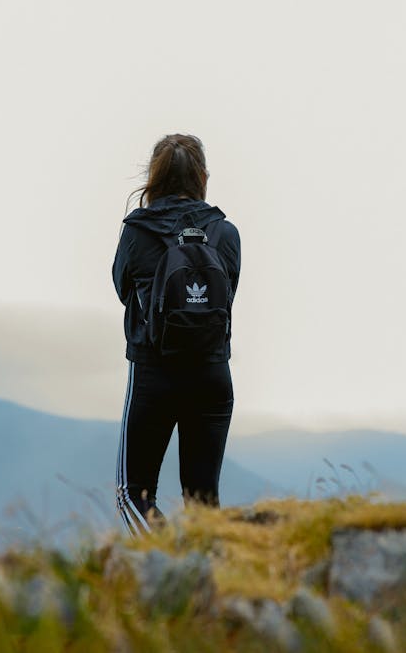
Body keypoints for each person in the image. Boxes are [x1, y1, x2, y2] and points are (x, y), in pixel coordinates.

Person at [112, 133, 241, 534]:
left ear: (153, 177)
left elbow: (122, 289)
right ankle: (212, 580)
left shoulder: (137, 231)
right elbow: (229, 293)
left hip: (155, 374)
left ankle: (169, 565)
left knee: (133, 493)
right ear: (202, 176)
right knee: (202, 502)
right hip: (212, 376)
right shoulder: (226, 233)